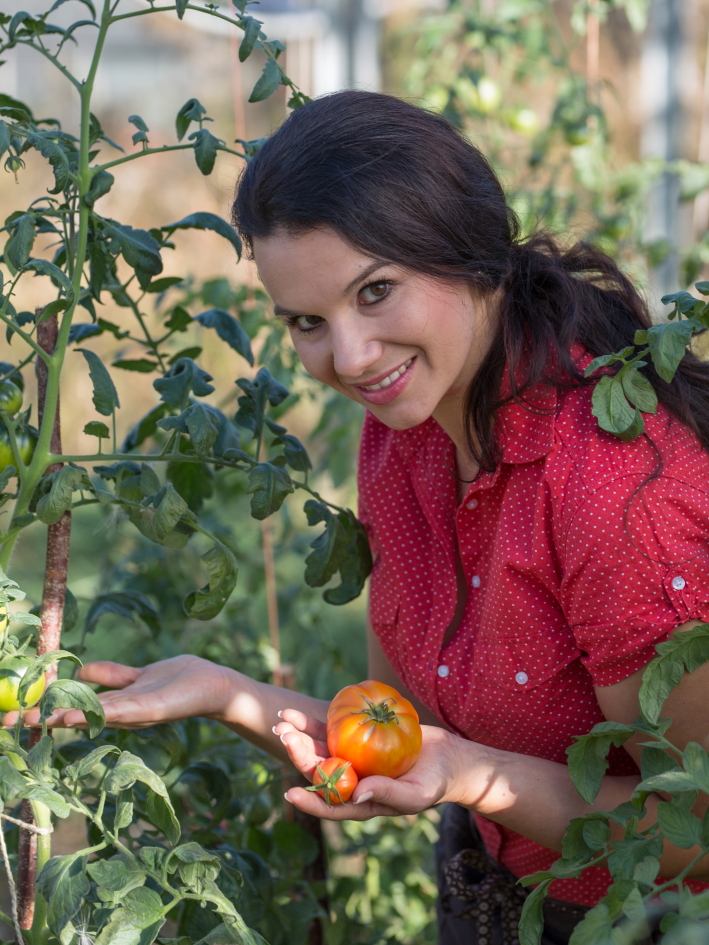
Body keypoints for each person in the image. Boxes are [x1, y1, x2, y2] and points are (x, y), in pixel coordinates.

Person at [7, 91, 709, 943]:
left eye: (375, 291)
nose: (347, 357)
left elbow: (691, 824)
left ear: (468, 253)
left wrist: (474, 774)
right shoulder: (401, 440)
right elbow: (409, 730)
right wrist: (230, 694)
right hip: (489, 891)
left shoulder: (612, 480)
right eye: (307, 321)